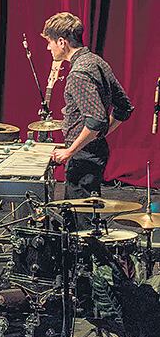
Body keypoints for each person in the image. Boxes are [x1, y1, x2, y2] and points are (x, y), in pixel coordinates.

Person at [41, 12, 134, 201]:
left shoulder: (79, 73)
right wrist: (98, 136)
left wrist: (70, 151)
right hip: (92, 152)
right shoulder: (96, 61)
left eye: (49, 42)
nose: (48, 47)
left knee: (81, 219)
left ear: (61, 42)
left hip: (84, 157)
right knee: (82, 212)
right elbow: (123, 108)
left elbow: (95, 121)